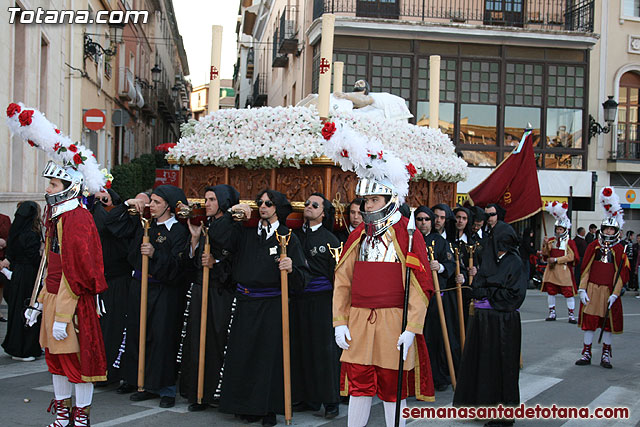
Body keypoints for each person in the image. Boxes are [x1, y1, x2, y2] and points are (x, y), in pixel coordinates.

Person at [334, 189, 434, 427]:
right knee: (359, 383)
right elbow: (343, 280)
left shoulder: (408, 235)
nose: (368, 206)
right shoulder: (358, 235)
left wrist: (412, 327)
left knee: (392, 385)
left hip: (393, 319)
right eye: (366, 201)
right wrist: (340, 322)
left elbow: (419, 284)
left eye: (374, 200)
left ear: (391, 201)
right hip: (359, 319)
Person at [25, 161, 108, 427]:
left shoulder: (77, 218)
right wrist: (37, 303)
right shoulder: (58, 216)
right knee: (56, 360)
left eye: (53, 184)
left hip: (72, 301)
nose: (48, 188)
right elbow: (49, 263)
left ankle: (81, 417)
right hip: (52, 296)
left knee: (78, 363)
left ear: (70, 188)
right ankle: (63, 415)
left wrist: (63, 314)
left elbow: (78, 272)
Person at [218, 189, 309, 426]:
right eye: (260, 203)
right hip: (246, 301)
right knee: (242, 354)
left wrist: (291, 268)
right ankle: (243, 405)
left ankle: (268, 408)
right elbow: (218, 238)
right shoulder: (246, 232)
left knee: (268, 358)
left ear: (278, 207)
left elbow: (303, 278)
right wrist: (230, 215)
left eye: (269, 203)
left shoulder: (288, 237)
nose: (263, 206)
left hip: (272, 304)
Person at [106, 185, 190, 408]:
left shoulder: (179, 231)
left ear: (169, 207)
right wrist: (126, 205)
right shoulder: (144, 225)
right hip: (139, 286)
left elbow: (179, 266)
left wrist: (155, 254)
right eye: (150, 201)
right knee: (136, 333)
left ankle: (165, 388)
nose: (151, 206)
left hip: (164, 292)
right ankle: (138, 381)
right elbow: (113, 226)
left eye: (156, 202)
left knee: (162, 337)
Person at [453, 222, 527, 427]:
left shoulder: (515, 262)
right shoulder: (488, 259)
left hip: (504, 322)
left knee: (503, 366)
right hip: (483, 321)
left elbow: (515, 295)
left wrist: (488, 291)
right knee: (484, 365)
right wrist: (483, 289)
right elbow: (477, 285)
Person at [180, 185, 238, 411]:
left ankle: (213, 390)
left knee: (215, 339)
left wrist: (217, 264)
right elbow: (193, 263)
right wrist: (195, 242)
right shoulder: (207, 225)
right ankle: (197, 392)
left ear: (223, 201)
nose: (207, 204)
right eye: (206, 199)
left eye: (212, 199)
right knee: (196, 339)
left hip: (219, 292)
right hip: (201, 288)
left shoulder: (231, 226)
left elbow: (233, 258)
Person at [290, 192, 340, 418]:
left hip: (321, 301)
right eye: (307, 203)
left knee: (323, 352)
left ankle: (330, 401)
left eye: (314, 205)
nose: (308, 207)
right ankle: (305, 397)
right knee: (300, 347)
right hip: (298, 299)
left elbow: (337, 276)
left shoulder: (330, 240)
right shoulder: (293, 236)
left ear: (323, 212)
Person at [576, 188, 630, 369]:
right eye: (606, 228)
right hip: (592, 289)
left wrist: (615, 294)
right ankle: (586, 352)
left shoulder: (620, 251)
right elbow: (585, 269)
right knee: (589, 323)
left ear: (616, 230)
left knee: (608, 324)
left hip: (609, 291)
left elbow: (621, 275)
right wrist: (582, 289)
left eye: (611, 228)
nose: (608, 231)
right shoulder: (593, 246)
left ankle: (606, 354)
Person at [90, 188, 131, 386]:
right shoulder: (95, 216)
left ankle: (110, 370)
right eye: (96, 200)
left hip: (117, 283)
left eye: (103, 199)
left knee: (113, 329)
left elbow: (109, 224)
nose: (99, 203)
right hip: (98, 282)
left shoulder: (122, 220)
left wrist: (112, 205)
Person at [415, 206, 457, 392]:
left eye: (426, 219)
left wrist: (439, 266)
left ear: (432, 222)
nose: (423, 223)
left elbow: (450, 264)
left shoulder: (439, 242)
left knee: (433, 339)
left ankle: (435, 377)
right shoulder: (409, 240)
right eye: (420, 219)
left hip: (433, 299)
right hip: (412, 298)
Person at [1, 201, 43, 361]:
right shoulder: (30, 234)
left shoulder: (15, 232)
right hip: (28, 275)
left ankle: (15, 346)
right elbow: (33, 257)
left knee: (16, 310)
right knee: (29, 309)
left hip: (17, 273)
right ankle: (25, 349)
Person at [540, 202, 580, 323]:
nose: (558, 231)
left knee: (568, 293)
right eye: (557, 229)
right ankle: (552, 313)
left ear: (565, 229)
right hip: (551, 271)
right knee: (551, 292)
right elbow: (545, 254)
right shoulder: (551, 240)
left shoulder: (569, 242)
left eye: (560, 229)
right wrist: (545, 244)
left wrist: (557, 259)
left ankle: (571, 315)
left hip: (563, 271)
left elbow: (572, 256)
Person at [0, 211, 11, 322]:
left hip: (3, 258)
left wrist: (5, 242)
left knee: (1, 286)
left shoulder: (5, 218)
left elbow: (11, 236)